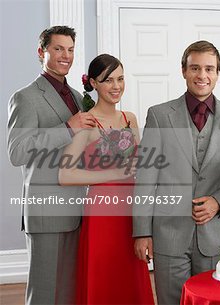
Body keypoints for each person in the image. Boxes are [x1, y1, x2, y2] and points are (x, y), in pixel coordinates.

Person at [133, 40, 220, 305]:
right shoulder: (160, 115)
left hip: (214, 234)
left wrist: (218, 202)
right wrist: (141, 231)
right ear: (183, 71)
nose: (202, 75)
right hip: (168, 233)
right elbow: (146, 177)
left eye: (209, 68)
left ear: (218, 73)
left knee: (214, 301)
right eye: (195, 68)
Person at [7, 26, 97, 305]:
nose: (65, 56)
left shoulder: (78, 97)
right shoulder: (26, 97)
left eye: (70, 50)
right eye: (58, 49)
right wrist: (67, 128)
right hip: (46, 210)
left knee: (70, 291)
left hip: (77, 209)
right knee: (44, 293)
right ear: (41, 52)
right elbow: (17, 152)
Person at [59, 54, 154, 304]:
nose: (116, 86)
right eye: (108, 80)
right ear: (94, 83)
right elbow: (65, 174)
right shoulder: (87, 122)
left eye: (120, 79)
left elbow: (141, 166)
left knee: (130, 276)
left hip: (132, 210)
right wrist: (115, 173)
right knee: (104, 277)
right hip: (102, 213)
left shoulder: (129, 119)